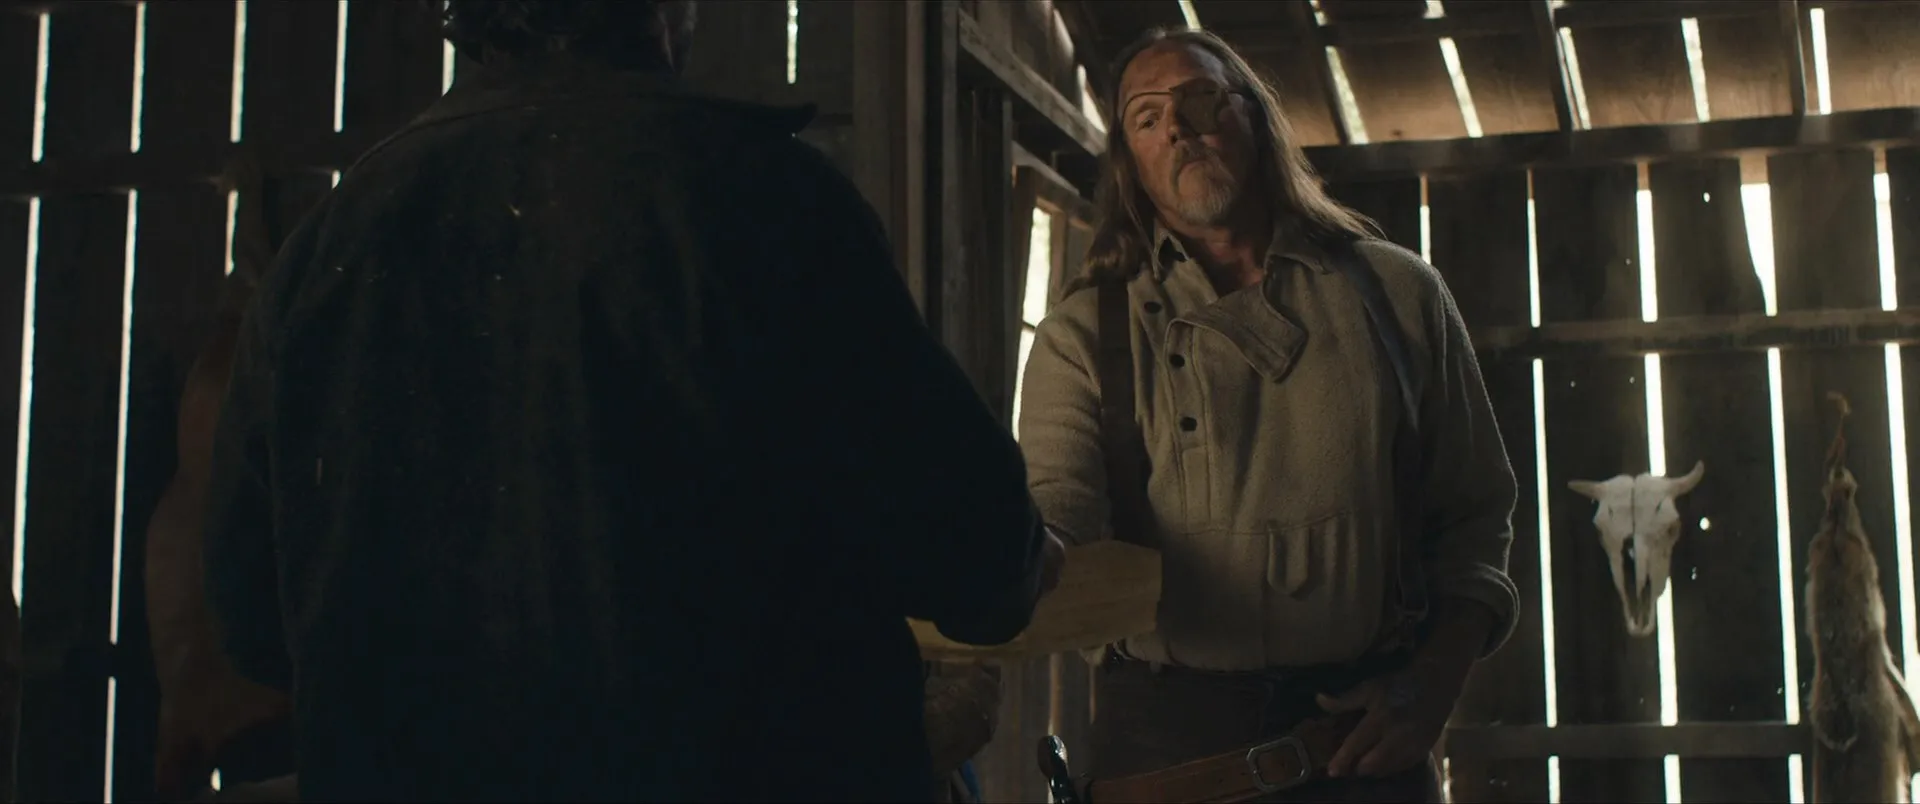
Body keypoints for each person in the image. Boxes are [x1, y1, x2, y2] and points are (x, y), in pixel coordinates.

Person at [201, 1, 1065, 801]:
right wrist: (1035, 563)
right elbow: (979, 559)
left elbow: (252, 622)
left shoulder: (326, 250)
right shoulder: (767, 200)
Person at [1016, 28, 1520, 803]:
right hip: (1166, 765)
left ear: (1256, 117)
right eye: (1148, 118)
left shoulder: (1399, 296)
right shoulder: (1082, 336)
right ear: (1130, 164)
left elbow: (1477, 517)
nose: (1178, 128)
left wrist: (1431, 686)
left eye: (1201, 100)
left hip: (1364, 758)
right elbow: (1057, 530)